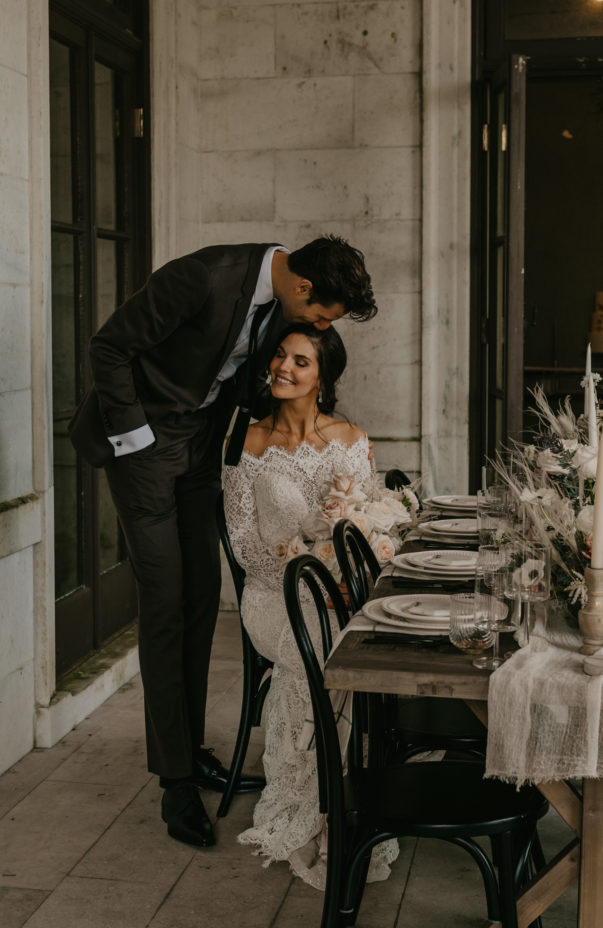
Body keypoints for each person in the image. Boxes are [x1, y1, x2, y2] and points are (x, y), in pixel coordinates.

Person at [68, 236, 377, 849]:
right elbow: (109, 346)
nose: (315, 329)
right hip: (145, 447)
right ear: (303, 288)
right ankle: (174, 783)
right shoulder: (205, 277)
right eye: (318, 317)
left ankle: (190, 748)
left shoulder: (279, 303)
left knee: (202, 598)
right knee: (165, 605)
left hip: (204, 447)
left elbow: (241, 377)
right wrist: (138, 440)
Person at [223, 325, 398, 888]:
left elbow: (364, 524)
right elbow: (247, 547)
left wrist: (339, 580)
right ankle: (323, 809)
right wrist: (312, 582)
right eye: (279, 356)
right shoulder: (244, 444)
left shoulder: (352, 438)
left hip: (342, 595)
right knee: (323, 644)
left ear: (324, 376)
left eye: (301, 361)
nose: (284, 368)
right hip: (273, 597)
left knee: (349, 641)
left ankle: (342, 799)